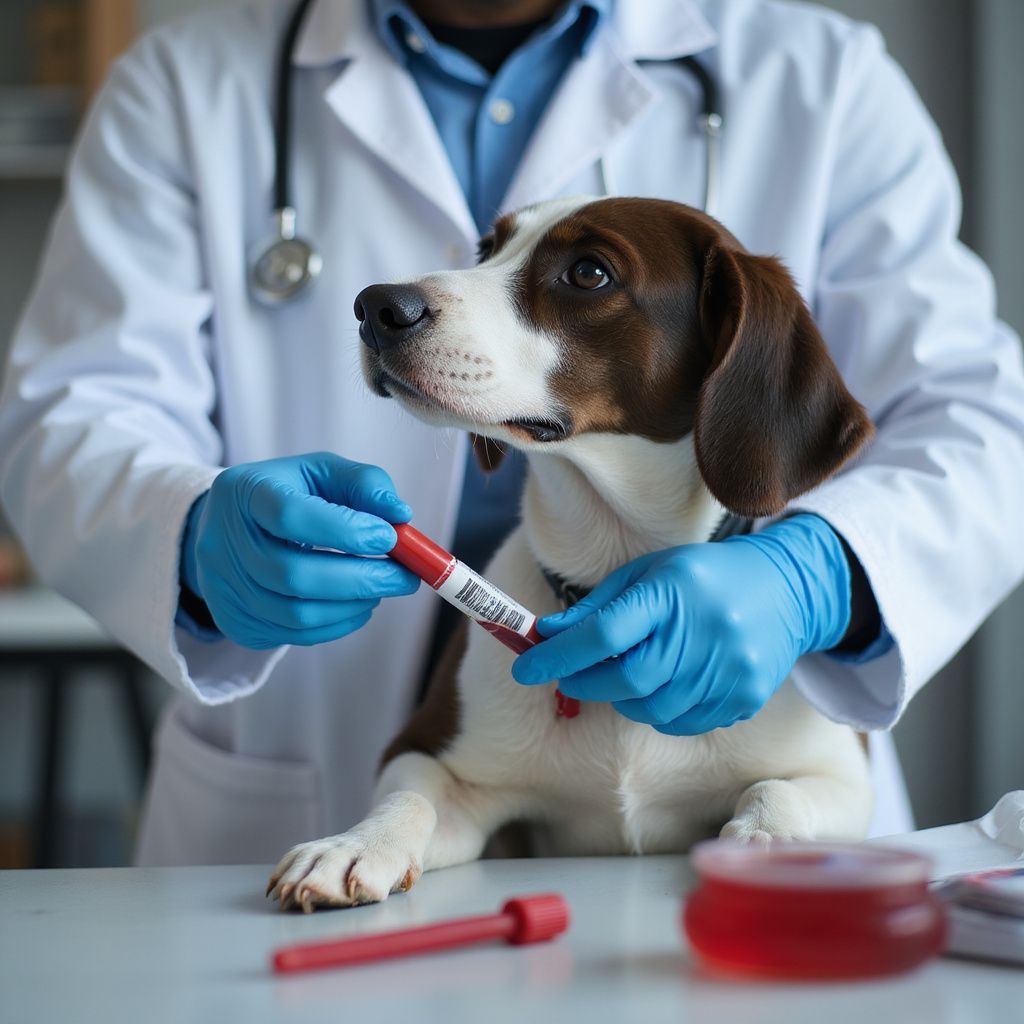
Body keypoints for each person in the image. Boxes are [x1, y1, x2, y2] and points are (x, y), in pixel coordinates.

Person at [1, 0, 1022, 866]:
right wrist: (189, 540)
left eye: (585, 275)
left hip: (752, 788)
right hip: (320, 786)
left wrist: (817, 577)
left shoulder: (819, 76)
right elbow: (68, 415)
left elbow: (981, 422)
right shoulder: (188, 81)